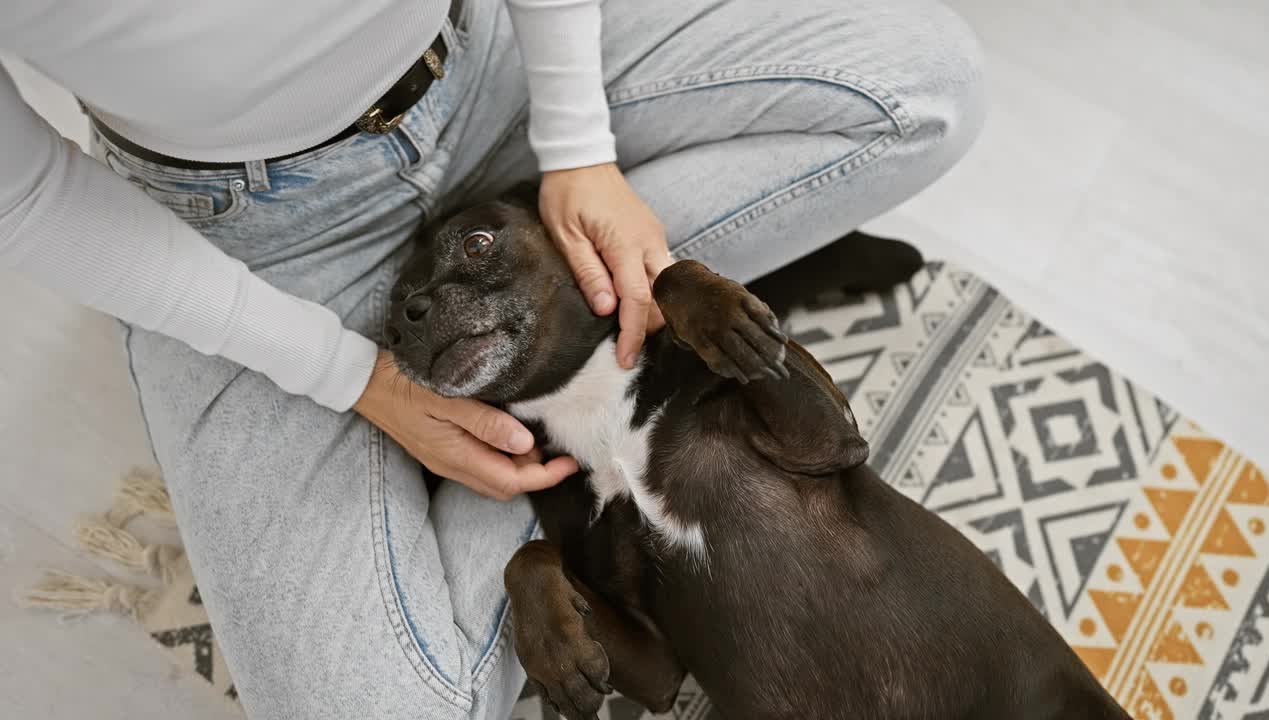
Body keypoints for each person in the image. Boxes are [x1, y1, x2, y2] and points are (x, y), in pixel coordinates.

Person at [1, 0, 983, 717]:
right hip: (250, 236)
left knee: (924, 87)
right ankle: (551, 417)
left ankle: (642, 319)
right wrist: (346, 377)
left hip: (482, 68)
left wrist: (576, 141)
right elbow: (25, 199)